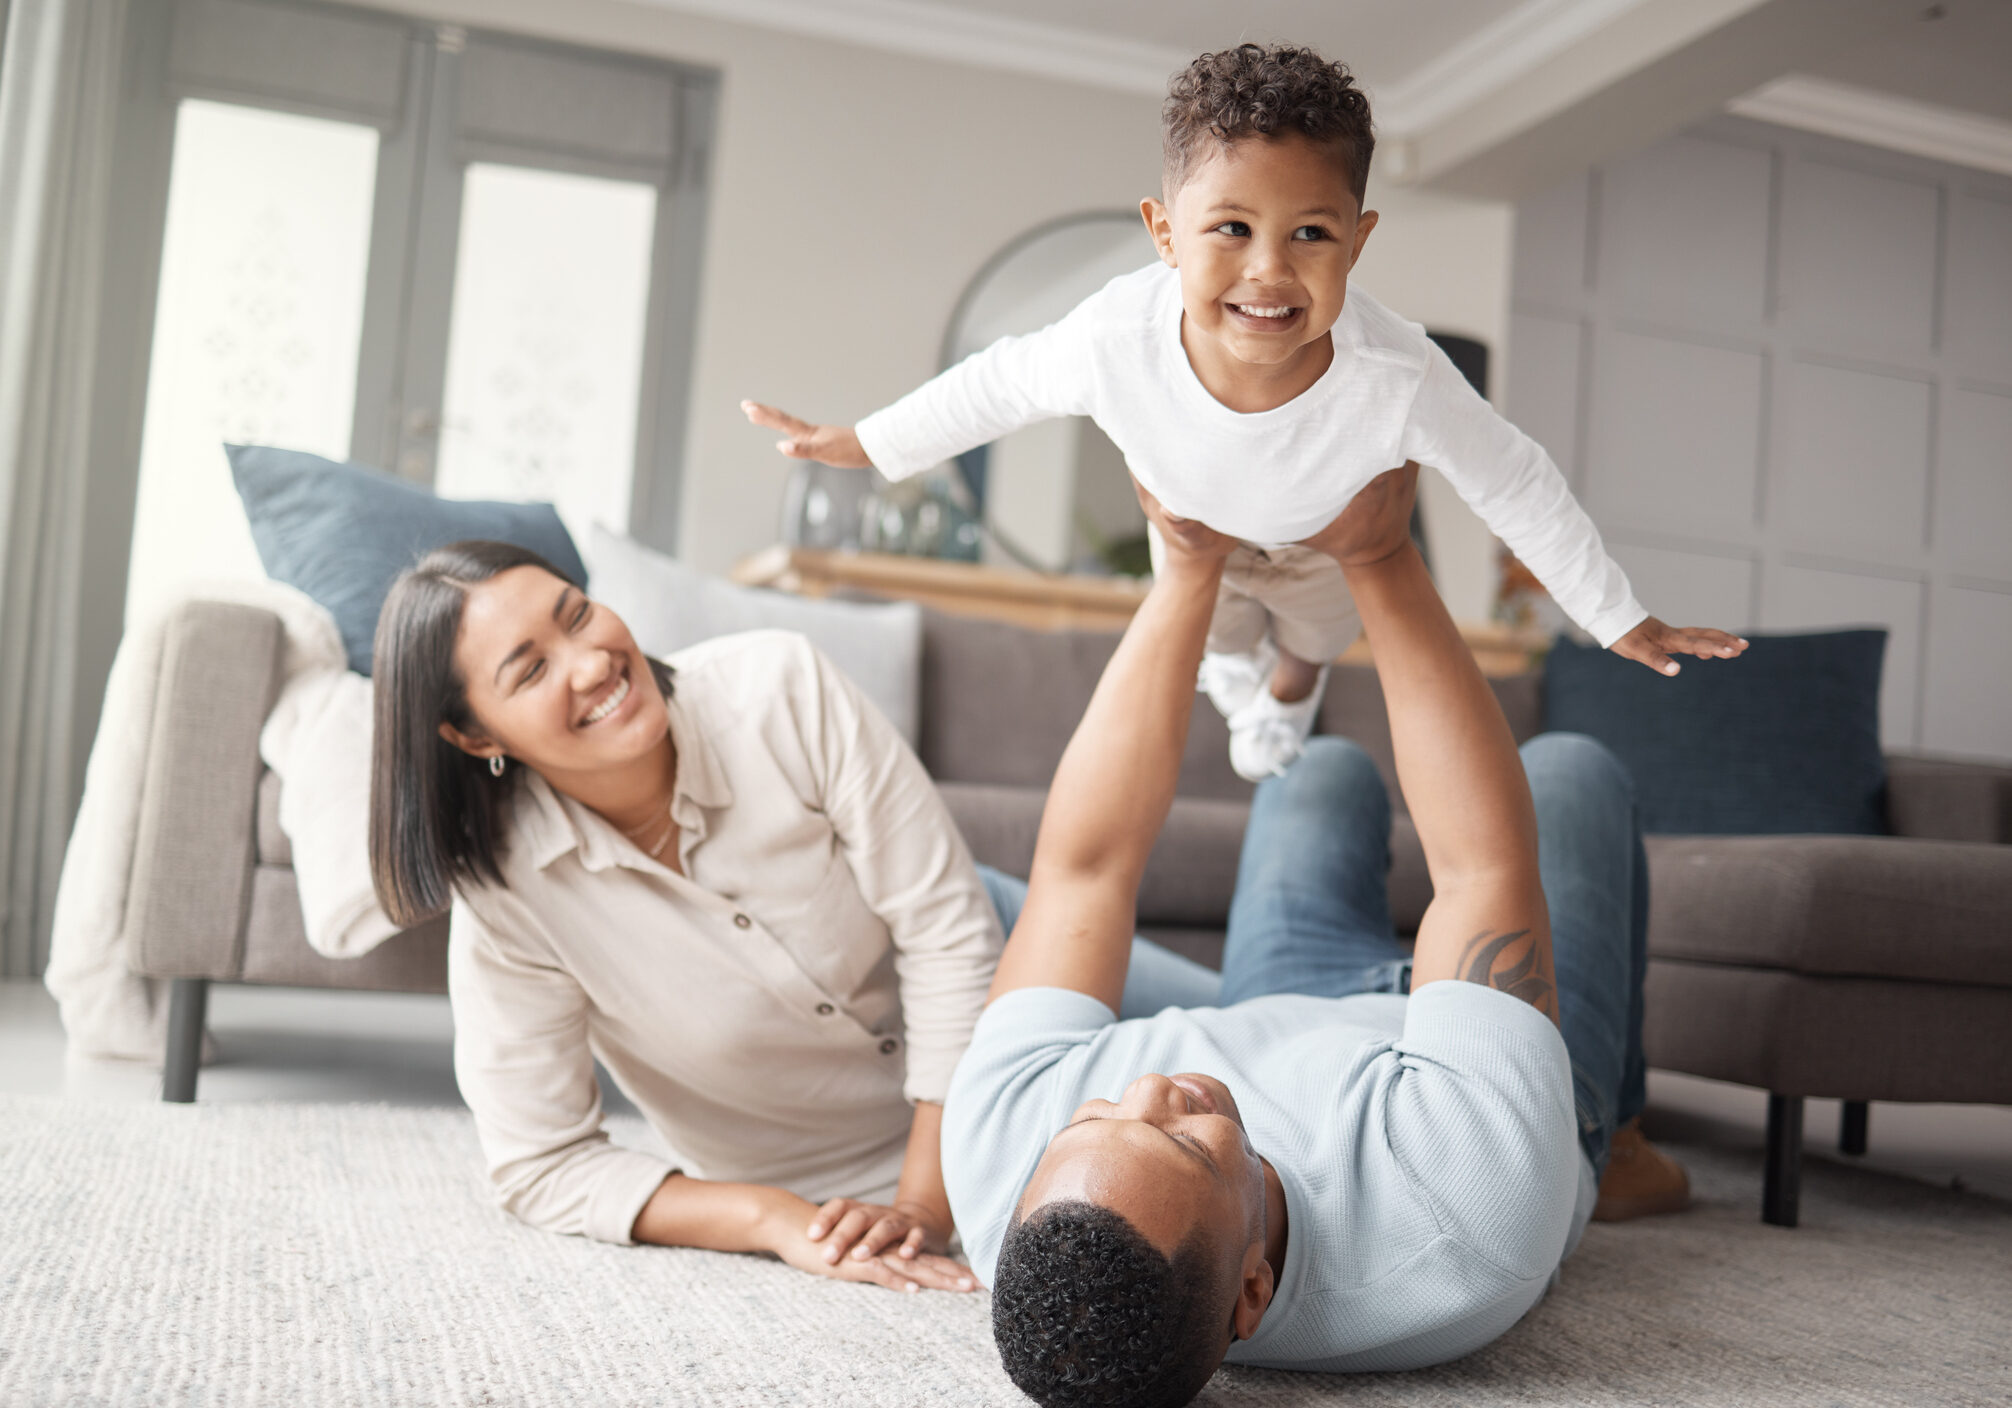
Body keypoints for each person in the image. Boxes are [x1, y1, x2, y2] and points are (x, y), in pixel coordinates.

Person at [743, 42, 1746, 783]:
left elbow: (1510, 478)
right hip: (1190, 527)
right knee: (1218, 637)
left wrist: (1615, 614)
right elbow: (996, 383)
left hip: (1319, 544)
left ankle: (1289, 691)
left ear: (1356, 242)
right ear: (1163, 233)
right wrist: (867, 443)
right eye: (1229, 228)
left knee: (1311, 633)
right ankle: (1243, 694)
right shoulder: (1111, 339)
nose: (1268, 270)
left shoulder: (1395, 375)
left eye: (1309, 232)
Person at [939, 466, 1689, 1407]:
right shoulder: (1467, 1213)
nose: (1149, 1090)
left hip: (1287, 1002)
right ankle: (1615, 1128)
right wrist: (1378, 552)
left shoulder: (1002, 1164)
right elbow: (1480, 870)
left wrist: (1186, 565)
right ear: (1252, 1288)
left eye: (1096, 1115)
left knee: (1317, 769)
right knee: (1570, 771)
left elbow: (1084, 872)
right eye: (1190, 1140)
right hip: (1490, 1092)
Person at [365, 541, 1217, 1295]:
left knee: (1286, 1021)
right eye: (531, 669)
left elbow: (949, 937)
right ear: (474, 737)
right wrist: (773, 1220)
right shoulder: (511, 898)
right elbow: (542, 1163)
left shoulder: (778, 685)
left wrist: (925, 1201)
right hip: (925, 1117)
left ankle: (1315, 796)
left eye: (578, 615)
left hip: (1001, 957)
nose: (590, 662)